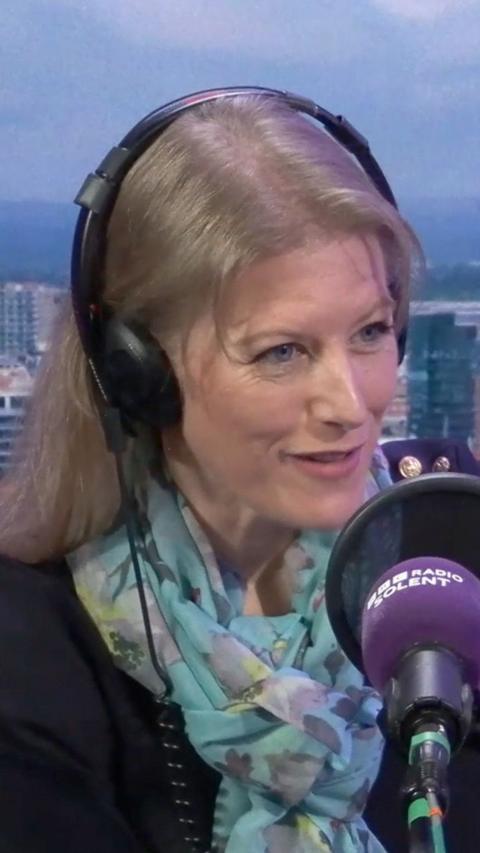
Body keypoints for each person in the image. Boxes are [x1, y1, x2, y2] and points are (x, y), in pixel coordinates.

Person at [0, 88, 478, 853]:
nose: (351, 404)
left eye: (370, 331)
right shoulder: (29, 652)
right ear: (138, 371)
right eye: (281, 351)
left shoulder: (452, 540)